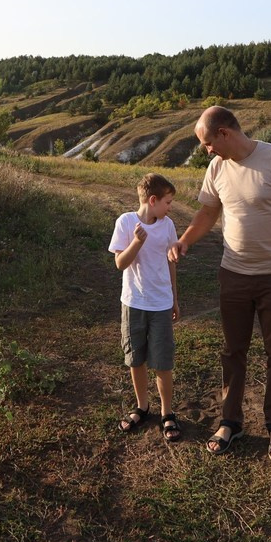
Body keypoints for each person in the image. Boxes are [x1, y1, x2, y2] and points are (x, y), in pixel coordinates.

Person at [169, 106, 271, 461]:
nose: (207, 150)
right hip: (233, 274)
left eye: (207, 143)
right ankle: (230, 422)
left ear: (224, 133)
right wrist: (185, 240)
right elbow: (208, 211)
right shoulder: (217, 168)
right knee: (232, 351)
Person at [109, 172, 182, 442]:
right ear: (153, 200)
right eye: (167, 202)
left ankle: (167, 412)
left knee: (163, 361)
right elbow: (120, 264)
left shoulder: (167, 225)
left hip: (161, 304)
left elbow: (171, 263)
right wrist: (137, 241)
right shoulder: (126, 222)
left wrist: (174, 298)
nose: (170, 208)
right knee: (135, 358)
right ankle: (142, 406)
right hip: (133, 303)